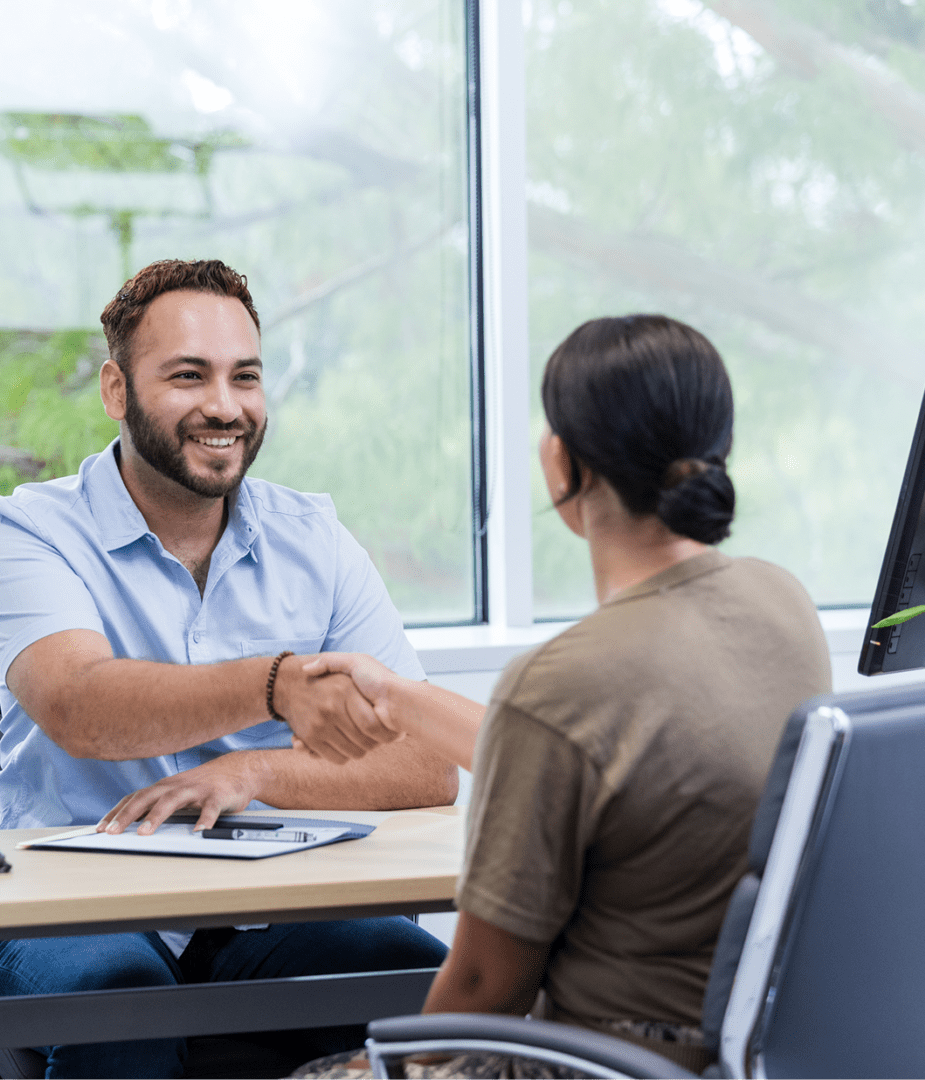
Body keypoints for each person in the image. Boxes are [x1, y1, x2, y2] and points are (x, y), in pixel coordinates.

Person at [287, 314, 833, 1079]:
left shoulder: (562, 683)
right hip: (747, 1055)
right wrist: (396, 695)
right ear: (717, 447)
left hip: (599, 1063)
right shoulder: (784, 604)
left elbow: (485, 985)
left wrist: (382, 1069)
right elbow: (612, 743)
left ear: (560, 463)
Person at [0, 258, 454, 1080]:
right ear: (116, 391)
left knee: (431, 992)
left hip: (267, 915)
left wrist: (256, 769)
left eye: (244, 377)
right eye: (188, 376)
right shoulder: (27, 530)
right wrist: (274, 685)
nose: (223, 406)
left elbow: (428, 763)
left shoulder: (316, 538)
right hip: (60, 916)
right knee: (124, 1002)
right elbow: (83, 707)